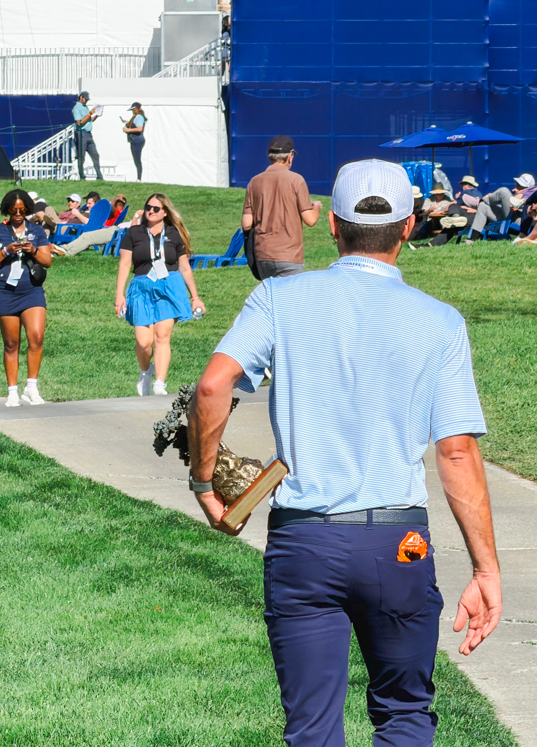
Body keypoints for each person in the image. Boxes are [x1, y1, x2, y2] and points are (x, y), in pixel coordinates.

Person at [188, 158, 501, 747]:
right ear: (409, 227)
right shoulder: (441, 321)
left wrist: (205, 483)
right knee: (405, 715)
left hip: (304, 542)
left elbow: (211, 387)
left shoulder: (278, 297)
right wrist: (485, 569)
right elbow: (457, 452)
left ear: (331, 225)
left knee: (312, 728)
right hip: (398, 542)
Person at [115, 193, 204, 397]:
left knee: (162, 336)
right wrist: (119, 295)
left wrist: (195, 297)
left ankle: (160, 383)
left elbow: (184, 267)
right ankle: (146, 371)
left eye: (156, 209)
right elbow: (125, 264)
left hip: (169, 286)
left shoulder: (174, 234)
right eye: (148, 207)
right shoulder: (134, 233)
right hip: (141, 287)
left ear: (165, 213)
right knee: (144, 343)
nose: (151, 211)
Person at [0, 189, 52, 408]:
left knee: (36, 337)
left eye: (22, 210)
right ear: (7, 210)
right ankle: (12, 391)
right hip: (5, 292)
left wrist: (33, 250)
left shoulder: (36, 230)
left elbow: (47, 261)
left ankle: (31, 387)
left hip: (31, 291)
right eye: (14, 210)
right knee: (11, 344)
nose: (18, 214)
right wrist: (6, 251)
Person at [242, 135, 322, 278]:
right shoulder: (296, 180)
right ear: (290, 156)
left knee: (271, 291)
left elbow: (247, 224)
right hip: (289, 255)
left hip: (262, 254)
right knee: (290, 292)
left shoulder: (254, 182)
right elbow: (310, 220)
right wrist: (316, 207)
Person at [468, 175, 525, 241]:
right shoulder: (515, 193)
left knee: (504, 191)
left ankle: (485, 200)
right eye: (516, 185)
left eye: (519, 187)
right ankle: (473, 238)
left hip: (519, 218)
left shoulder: (531, 194)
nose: (515, 188)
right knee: (483, 205)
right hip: (508, 215)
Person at [72, 91, 103, 181]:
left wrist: (97, 115)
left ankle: (99, 176)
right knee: (81, 157)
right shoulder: (76, 108)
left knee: (95, 155)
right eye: (85, 99)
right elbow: (80, 122)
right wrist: (89, 114)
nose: (86, 101)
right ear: (81, 97)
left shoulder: (85, 107)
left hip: (89, 134)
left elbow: (88, 120)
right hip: (81, 133)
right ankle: (82, 177)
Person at [123, 102, 147, 182]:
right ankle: (138, 178)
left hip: (137, 140)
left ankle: (139, 178)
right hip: (134, 140)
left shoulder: (139, 117)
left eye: (134, 110)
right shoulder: (136, 117)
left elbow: (139, 129)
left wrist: (128, 130)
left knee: (137, 160)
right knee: (136, 159)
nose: (133, 111)